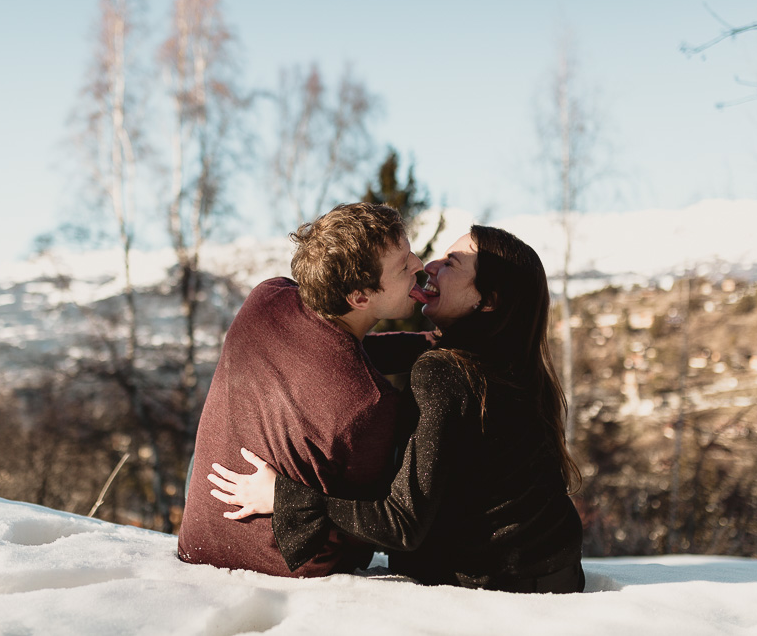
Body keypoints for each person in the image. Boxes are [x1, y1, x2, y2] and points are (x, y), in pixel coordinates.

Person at [208, 225, 586, 593]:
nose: (429, 267)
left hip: (491, 588)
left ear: (486, 300)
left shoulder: (444, 374)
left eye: (451, 264)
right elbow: (350, 359)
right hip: (561, 574)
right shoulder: (511, 366)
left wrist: (282, 496)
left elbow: (401, 523)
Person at [177, 203, 427, 577]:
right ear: (360, 297)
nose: (419, 265)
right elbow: (362, 528)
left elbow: (329, 354)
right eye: (404, 265)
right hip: (290, 572)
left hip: (198, 543)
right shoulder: (371, 402)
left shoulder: (267, 299)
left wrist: (423, 343)